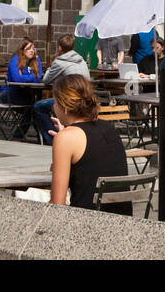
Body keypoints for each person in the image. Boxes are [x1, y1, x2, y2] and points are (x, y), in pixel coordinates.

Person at [48, 75, 133, 215]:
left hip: (86, 222)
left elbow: (57, 204)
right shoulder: (109, 128)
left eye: (55, 102)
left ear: (64, 105)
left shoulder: (65, 138)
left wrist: (64, 137)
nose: (53, 106)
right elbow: (92, 164)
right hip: (123, 222)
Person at [34, 33, 91, 146]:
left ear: (60, 47)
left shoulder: (60, 62)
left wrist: (52, 64)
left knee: (38, 107)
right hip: (84, 99)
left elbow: (46, 80)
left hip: (68, 101)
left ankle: (53, 138)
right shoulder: (82, 61)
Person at [5, 37, 44, 140]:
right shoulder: (15, 60)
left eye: (33, 48)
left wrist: (26, 78)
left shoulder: (35, 60)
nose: (32, 51)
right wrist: (31, 77)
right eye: (29, 49)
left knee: (34, 108)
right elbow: (17, 79)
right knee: (33, 109)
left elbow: (38, 77)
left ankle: (18, 137)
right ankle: (42, 137)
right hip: (10, 94)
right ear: (22, 50)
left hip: (26, 93)